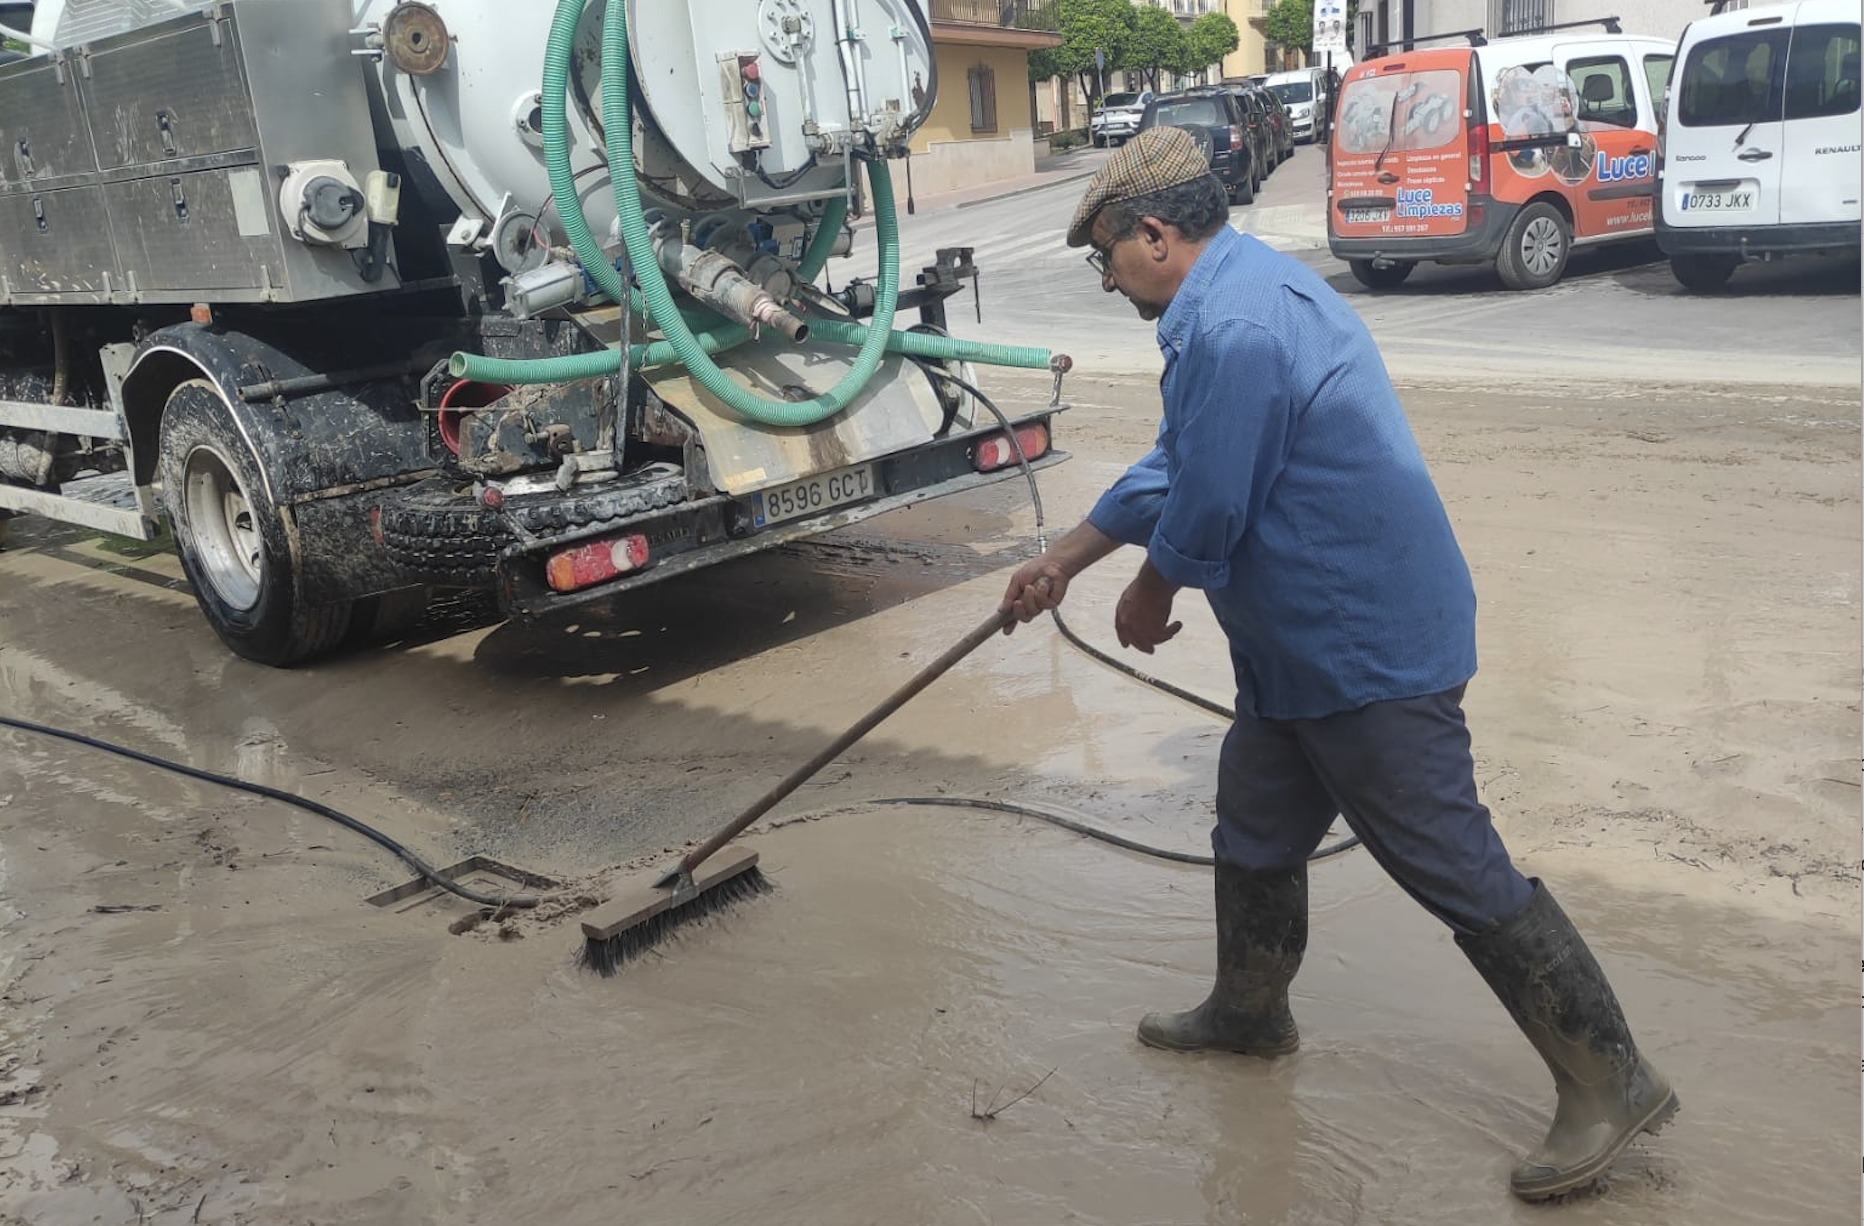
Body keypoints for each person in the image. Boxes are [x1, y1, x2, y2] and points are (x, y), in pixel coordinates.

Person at [996, 125, 1678, 1202]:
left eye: (1106, 254)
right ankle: (1248, 1012)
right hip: (1297, 644)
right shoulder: (1233, 294)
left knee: (1448, 859)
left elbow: (1211, 497)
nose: (1106, 273)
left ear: (1155, 234)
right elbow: (1180, 458)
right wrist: (1065, 554)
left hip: (1363, 641)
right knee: (1257, 815)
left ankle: (1611, 1076)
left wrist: (1151, 583)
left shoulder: (1236, 324)